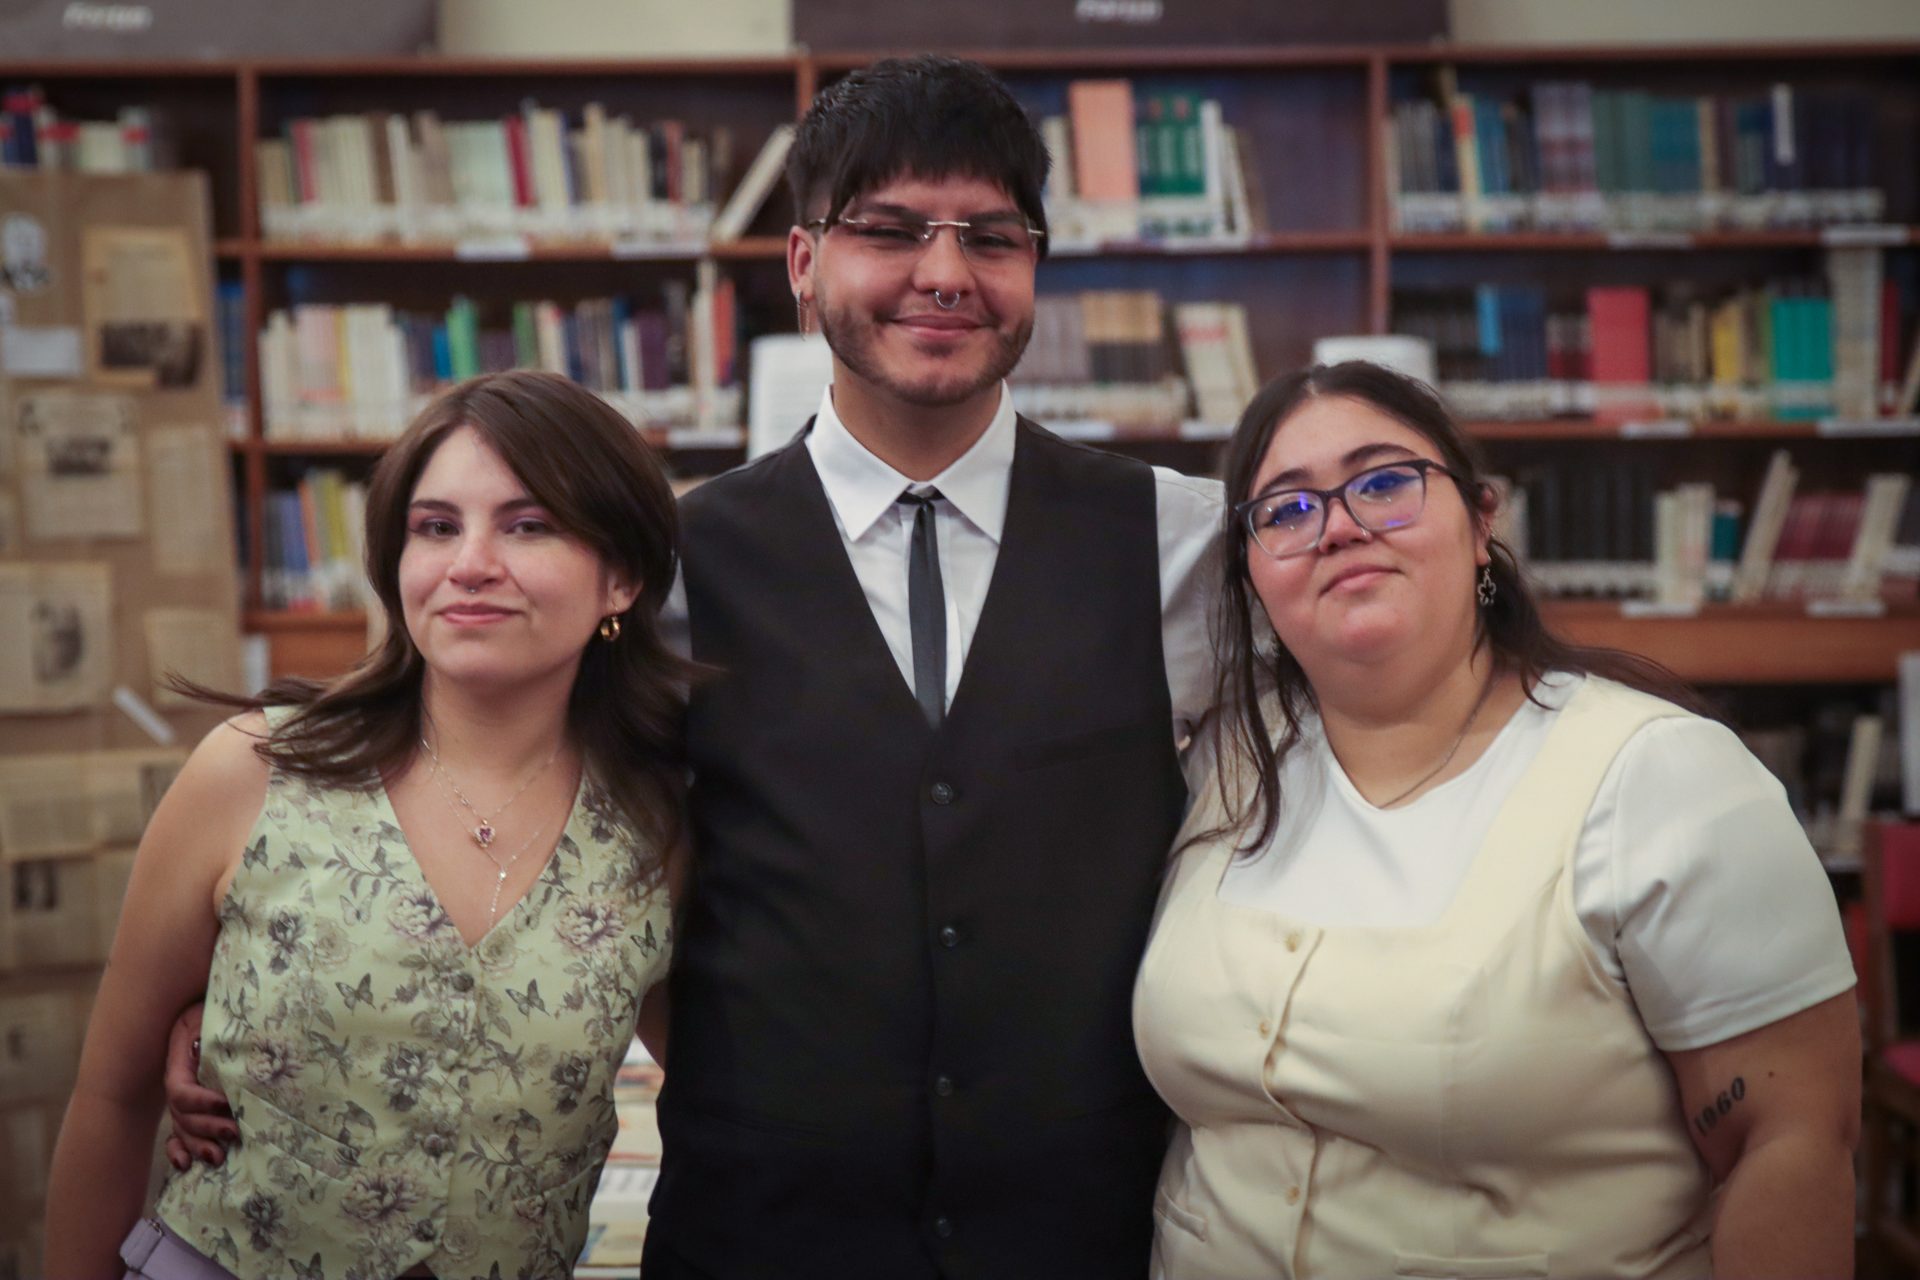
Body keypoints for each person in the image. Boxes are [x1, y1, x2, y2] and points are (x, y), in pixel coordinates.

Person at [1132, 361, 1861, 1279]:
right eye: (1288, 509)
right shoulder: (1226, 763)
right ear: (1249, 572)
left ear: (1483, 522)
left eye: (1384, 483)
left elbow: (1789, 1142)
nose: (1340, 526)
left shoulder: (1659, 777)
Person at [44, 369, 688, 1280]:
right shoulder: (254, 770)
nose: (470, 563)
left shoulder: (656, 831)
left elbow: (735, 1096)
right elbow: (110, 1101)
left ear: (620, 577)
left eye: (528, 525)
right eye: (437, 527)